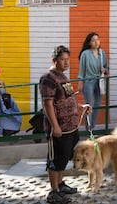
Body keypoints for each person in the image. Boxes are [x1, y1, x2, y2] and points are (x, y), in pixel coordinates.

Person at [40, 45, 91, 204]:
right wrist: (55, 126)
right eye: (62, 59)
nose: (66, 62)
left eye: (68, 59)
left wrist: (81, 107)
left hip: (72, 127)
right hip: (59, 128)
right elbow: (48, 104)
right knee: (56, 159)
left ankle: (60, 184)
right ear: (54, 60)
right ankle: (53, 191)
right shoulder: (48, 78)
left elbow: (70, 99)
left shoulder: (64, 77)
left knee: (64, 158)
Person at [77, 32, 108, 130]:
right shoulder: (85, 54)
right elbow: (81, 70)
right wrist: (80, 83)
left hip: (100, 82)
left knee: (97, 105)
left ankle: (93, 127)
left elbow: (106, 67)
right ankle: (88, 129)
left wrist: (105, 70)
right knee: (89, 106)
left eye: (97, 40)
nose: (96, 42)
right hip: (89, 81)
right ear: (89, 42)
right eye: (93, 40)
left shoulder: (102, 53)